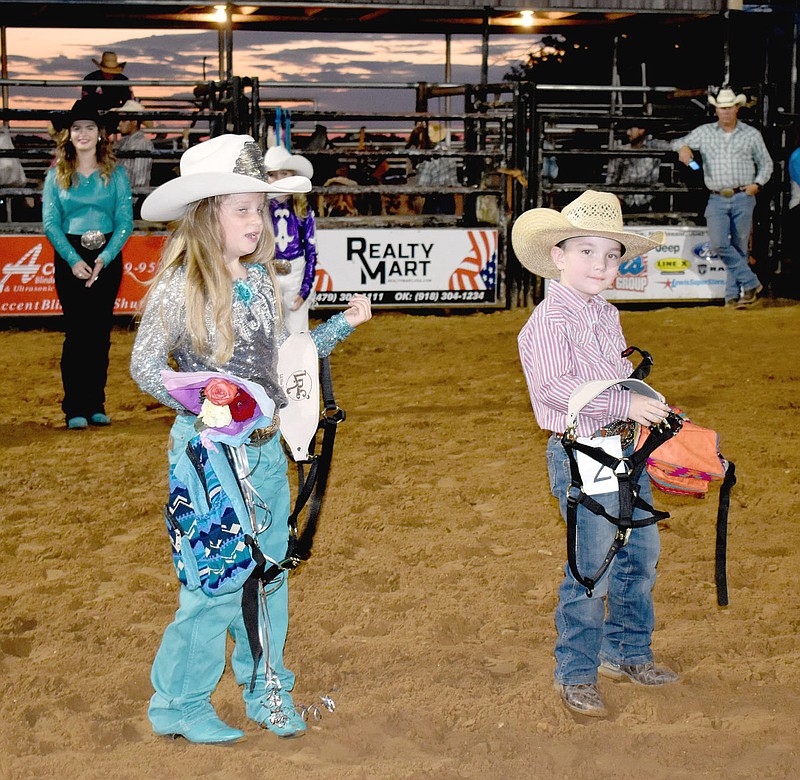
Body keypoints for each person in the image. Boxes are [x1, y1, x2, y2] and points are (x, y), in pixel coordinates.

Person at [130, 133, 372, 745]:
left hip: (262, 454)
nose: (257, 221)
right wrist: (203, 395)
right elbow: (146, 366)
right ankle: (178, 704)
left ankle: (268, 688)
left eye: (259, 209)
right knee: (213, 585)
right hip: (209, 460)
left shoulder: (261, 282)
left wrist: (339, 329)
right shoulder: (179, 287)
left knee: (269, 575)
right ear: (207, 215)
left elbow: (276, 373)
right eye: (242, 208)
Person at [514, 190, 677, 718]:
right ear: (558, 255)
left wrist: (647, 401)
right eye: (586, 252)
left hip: (625, 448)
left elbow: (617, 376)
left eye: (611, 255)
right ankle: (576, 671)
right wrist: (625, 399)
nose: (601, 265)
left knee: (640, 555)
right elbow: (558, 389)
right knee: (592, 567)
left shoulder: (605, 316)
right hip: (581, 450)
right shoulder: (546, 322)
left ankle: (627, 651)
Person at [43, 99, 133, 430]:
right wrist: (72, 259)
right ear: (69, 134)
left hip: (106, 254)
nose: (83, 134)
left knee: (99, 332)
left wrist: (105, 257)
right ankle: (74, 406)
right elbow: (51, 222)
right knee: (77, 331)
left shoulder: (117, 174)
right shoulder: (56, 175)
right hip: (71, 255)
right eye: (77, 128)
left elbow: (125, 221)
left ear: (100, 134)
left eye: (90, 128)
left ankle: (96, 402)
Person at [671, 87, 773, 308]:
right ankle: (750, 283)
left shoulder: (751, 134)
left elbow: (766, 163)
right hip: (718, 196)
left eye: (728, 108)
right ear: (716, 110)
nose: (725, 112)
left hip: (742, 194)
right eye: (721, 108)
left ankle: (733, 296)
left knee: (738, 246)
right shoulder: (706, 132)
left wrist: (757, 184)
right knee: (721, 244)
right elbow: (678, 142)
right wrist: (684, 149)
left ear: (736, 108)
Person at [263, 144, 318, 333]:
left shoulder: (303, 210)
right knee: (270, 330)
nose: (278, 179)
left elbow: (311, 252)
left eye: (284, 173)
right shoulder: (259, 210)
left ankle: (298, 363)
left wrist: (305, 289)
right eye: (272, 174)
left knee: (297, 330)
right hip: (268, 271)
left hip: (296, 272)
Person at [605, 123, 669, 211]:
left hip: (645, 202)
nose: (628, 132)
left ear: (641, 130)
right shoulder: (621, 151)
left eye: (631, 129)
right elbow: (611, 177)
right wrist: (613, 198)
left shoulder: (654, 148)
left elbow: (673, 145)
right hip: (622, 202)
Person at [111, 99, 155, 191]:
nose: (119, 124)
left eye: (123, 120)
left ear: (134, 122)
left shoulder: (142, 144)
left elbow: (140, 180)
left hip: (130, 198)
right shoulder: (123, 142)